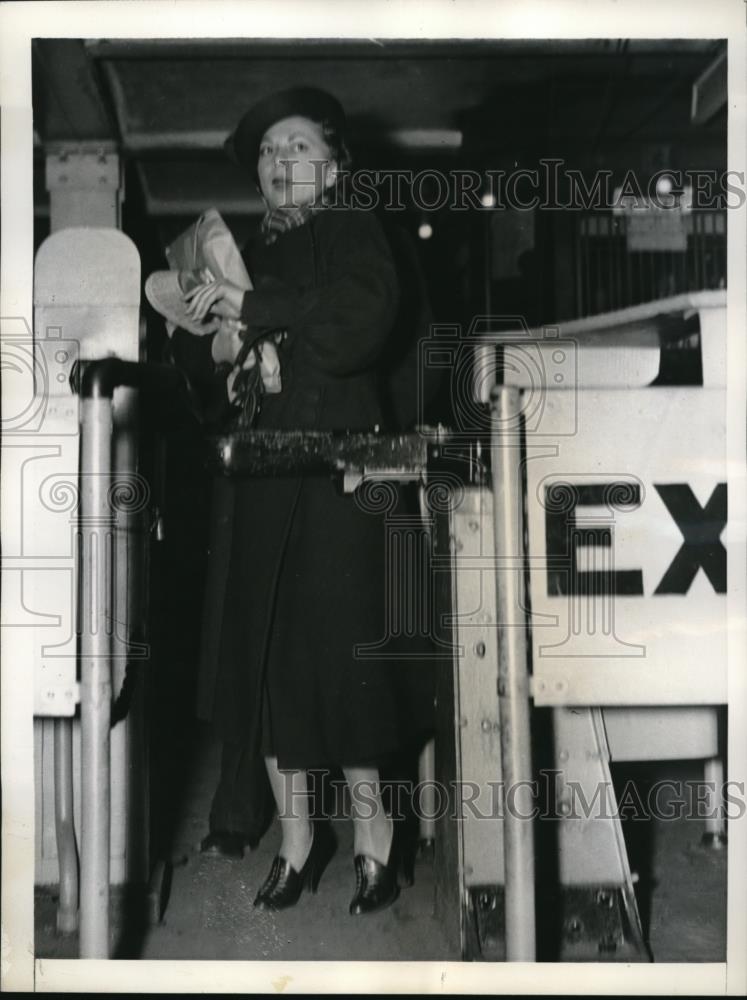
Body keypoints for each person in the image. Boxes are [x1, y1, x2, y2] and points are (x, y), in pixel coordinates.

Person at [169, 87, 432, 915]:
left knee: (343, 663)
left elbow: (361, 323)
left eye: (299, 148)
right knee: (272, 663)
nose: (283, 162)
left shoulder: (358, 229)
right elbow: (213, 386)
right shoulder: (249, 250)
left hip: (340, 478)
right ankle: (294, 841)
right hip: (261, 483)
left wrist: (253, 309)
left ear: (334, 163)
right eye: (270, 154)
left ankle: (374, 842)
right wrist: (212, 348)